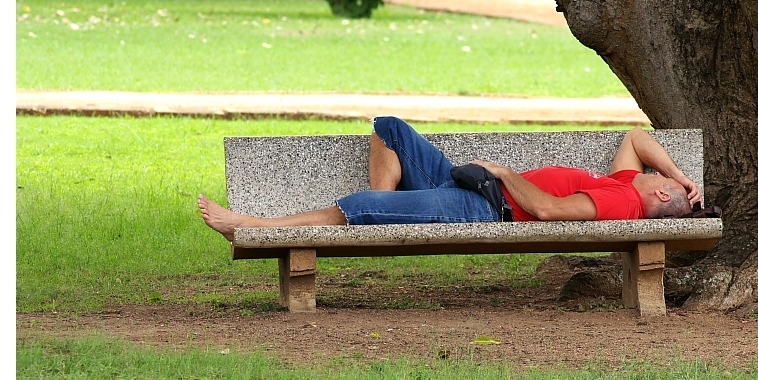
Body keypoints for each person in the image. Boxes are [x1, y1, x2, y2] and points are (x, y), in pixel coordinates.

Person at [198, 116, 701, 242]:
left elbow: (547, 211)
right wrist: (684, 177)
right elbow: (637, 135)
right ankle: (390, 205)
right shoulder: (625, 182)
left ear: (657, 195)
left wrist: (503, 173)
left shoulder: (621, 206)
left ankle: (251, 223)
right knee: (389, 130)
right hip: (470, 186)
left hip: (484, 207)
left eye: (667, 181)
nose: (661, 172)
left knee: (362, 207)